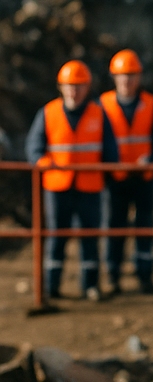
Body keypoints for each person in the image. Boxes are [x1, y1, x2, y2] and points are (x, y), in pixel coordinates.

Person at [26, 60, 118, 300]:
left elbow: (111, 152)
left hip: (90, 187)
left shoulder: (99, 115)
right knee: (56, 237)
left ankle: (90, 287)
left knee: (89, 238)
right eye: (69, 85)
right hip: (57, 187)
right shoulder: (47, 113)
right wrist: (44, 164)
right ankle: (51, 288)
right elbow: (34, 149)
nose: (74, 90)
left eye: (79, 85)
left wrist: (110, 176)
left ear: (87, 87)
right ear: (61, 87)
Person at [100, 49, 153, 294]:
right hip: (114, 179)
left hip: (143, 178)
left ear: (139, 77)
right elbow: (101, 142)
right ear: (114, 77)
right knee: (114, 227)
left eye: (131, 75)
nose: (126, 80)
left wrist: (151, 161)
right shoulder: (103, 104)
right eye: (122, 75)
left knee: (144, 227)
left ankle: (145, 277)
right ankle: (113, 278)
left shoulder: (152, 103)